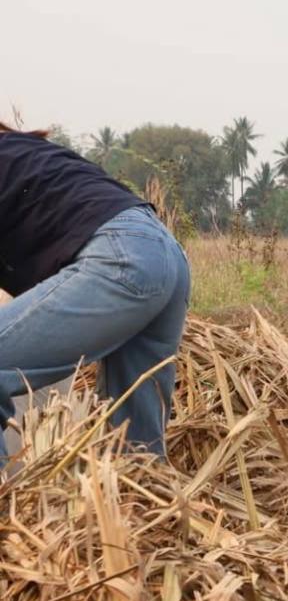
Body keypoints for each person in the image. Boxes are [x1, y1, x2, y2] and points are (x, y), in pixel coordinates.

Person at [0, 122, 190, 459]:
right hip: (164, 255)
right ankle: (137, 508)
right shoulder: (24, 150)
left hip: (121, 262)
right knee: (135, 453)